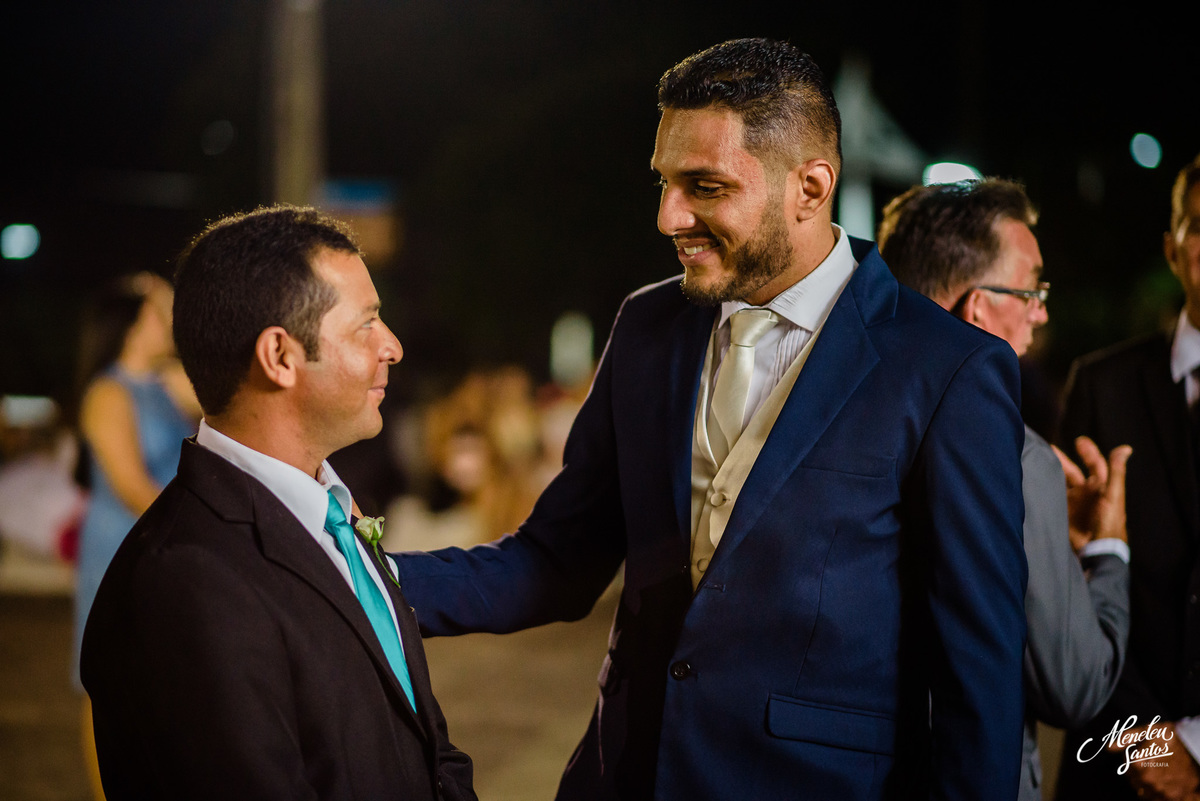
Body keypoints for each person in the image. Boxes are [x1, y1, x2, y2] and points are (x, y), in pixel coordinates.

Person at [397, 38, 1027, 800]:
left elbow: (978, 676)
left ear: (811, 185)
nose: (668, 216)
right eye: (664, 182)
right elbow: (555, 562)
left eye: (704, 185)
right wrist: (359, 576)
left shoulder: (947, 369)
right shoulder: (646, 326)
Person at [80, 206, 476, 801]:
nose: (391, 346)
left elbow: (427, 747)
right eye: (365, 323)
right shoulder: (189, 582)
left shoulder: (335, 514)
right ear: (280, 357)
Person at [877, 177, 1133, 801]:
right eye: (1032, 290)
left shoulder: (832, 423)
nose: (1042, 311)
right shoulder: (1018, 459)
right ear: (978, 307)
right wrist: (1106, 551)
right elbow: (1072, 685)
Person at [1056, 153, 1200, 801]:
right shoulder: (1101, 384)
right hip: (1114, 763)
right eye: (1199, 226)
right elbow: (1064, 581)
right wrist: (1146, 738)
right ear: (1173, 249)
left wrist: (1196, 746)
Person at [72, 272, 198, 800]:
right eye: (158, 309)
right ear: (132, 324)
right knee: (108, 680)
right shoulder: (107, 391)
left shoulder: (172, 385)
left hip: (172, 542)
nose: (170, 317)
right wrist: (202, 524)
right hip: (122, 545)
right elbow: (129, 483)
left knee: (169, 673)